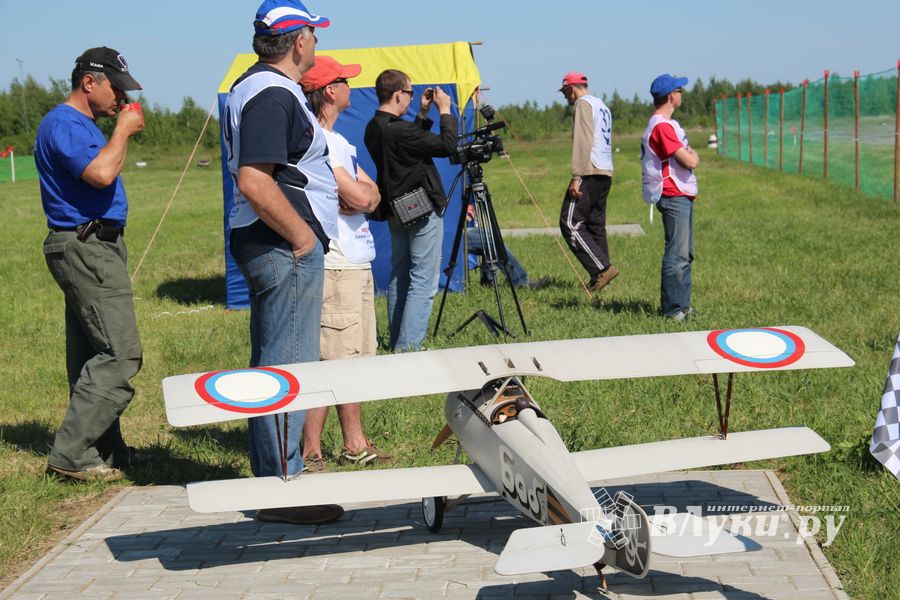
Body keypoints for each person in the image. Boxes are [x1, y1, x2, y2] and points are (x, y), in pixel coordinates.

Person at [223, 0, 342, 524]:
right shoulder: (272, 92)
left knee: (275, 359)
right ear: (298, 42)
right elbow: (254, 177)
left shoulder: (261, 87)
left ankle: (274, 477)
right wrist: (301, 239)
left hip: (268, 239)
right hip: (278, 241)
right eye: (313, 35)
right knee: (288, 366)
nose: (317, 43)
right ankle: (282, 488)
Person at [36, 47, 145, 482]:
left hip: (92, 244)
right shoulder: (64, 123)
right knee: (120, 354)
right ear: (89, 83)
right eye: (116, 87)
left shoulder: (80, 125)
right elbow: (100, 174)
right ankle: (71, 453)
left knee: (90, 354)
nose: (121, 97)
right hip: (86, 246)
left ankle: (104, 447)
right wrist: (122, 131)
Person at [299, 56, 391, 471]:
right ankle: (316, 449)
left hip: (354, 259)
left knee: (351, 356)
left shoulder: (339, 140)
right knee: (334, 358)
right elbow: (358, 197)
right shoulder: (322, 139)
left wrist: (364, 195)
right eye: (344, 80)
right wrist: (362, 195)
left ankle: (350, 441)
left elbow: (371, 193)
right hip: (338, 262)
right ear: (330, 92)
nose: (351, 86)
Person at [364, 70, 458, 352]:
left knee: (400, 275)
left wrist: (421, 114)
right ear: (397, 95)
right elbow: (447, 145)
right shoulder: (399, 131)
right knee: (423, 280)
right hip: (420, 207)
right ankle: (408, 349)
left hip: (396, 209)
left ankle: (397, 341)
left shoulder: (375, 127)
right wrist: (445, 111)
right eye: (409, 92)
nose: (411, 96)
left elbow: (408, 145)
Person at [640, 74, 700, 321]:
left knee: (685, 253)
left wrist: (690, 155)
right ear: (670, 96)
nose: (682, 93)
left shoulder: (666, 124)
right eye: (679, 89)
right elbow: (688, 158)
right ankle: (673, 309)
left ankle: (683, 306)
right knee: (677, 253)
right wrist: (693, 157)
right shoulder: (662, 126)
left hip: (679, 193)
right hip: (672, 193)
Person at [557, 72, 619, 294]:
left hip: (589, 169)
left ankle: (602, 268)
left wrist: (576, 175)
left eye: (565, 93)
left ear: (572, 88)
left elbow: (583, 141)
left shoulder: (583, 104)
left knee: (570, 223)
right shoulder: (602, 105)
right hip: (605, 170)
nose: (566, 97)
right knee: (595, 224)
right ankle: (600, 274)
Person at [464, 205, 549, 290]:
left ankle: (488, 279)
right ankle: (521, 283)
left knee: (492, 233)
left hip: (458, 231)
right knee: (492, 240)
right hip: (453, 236)